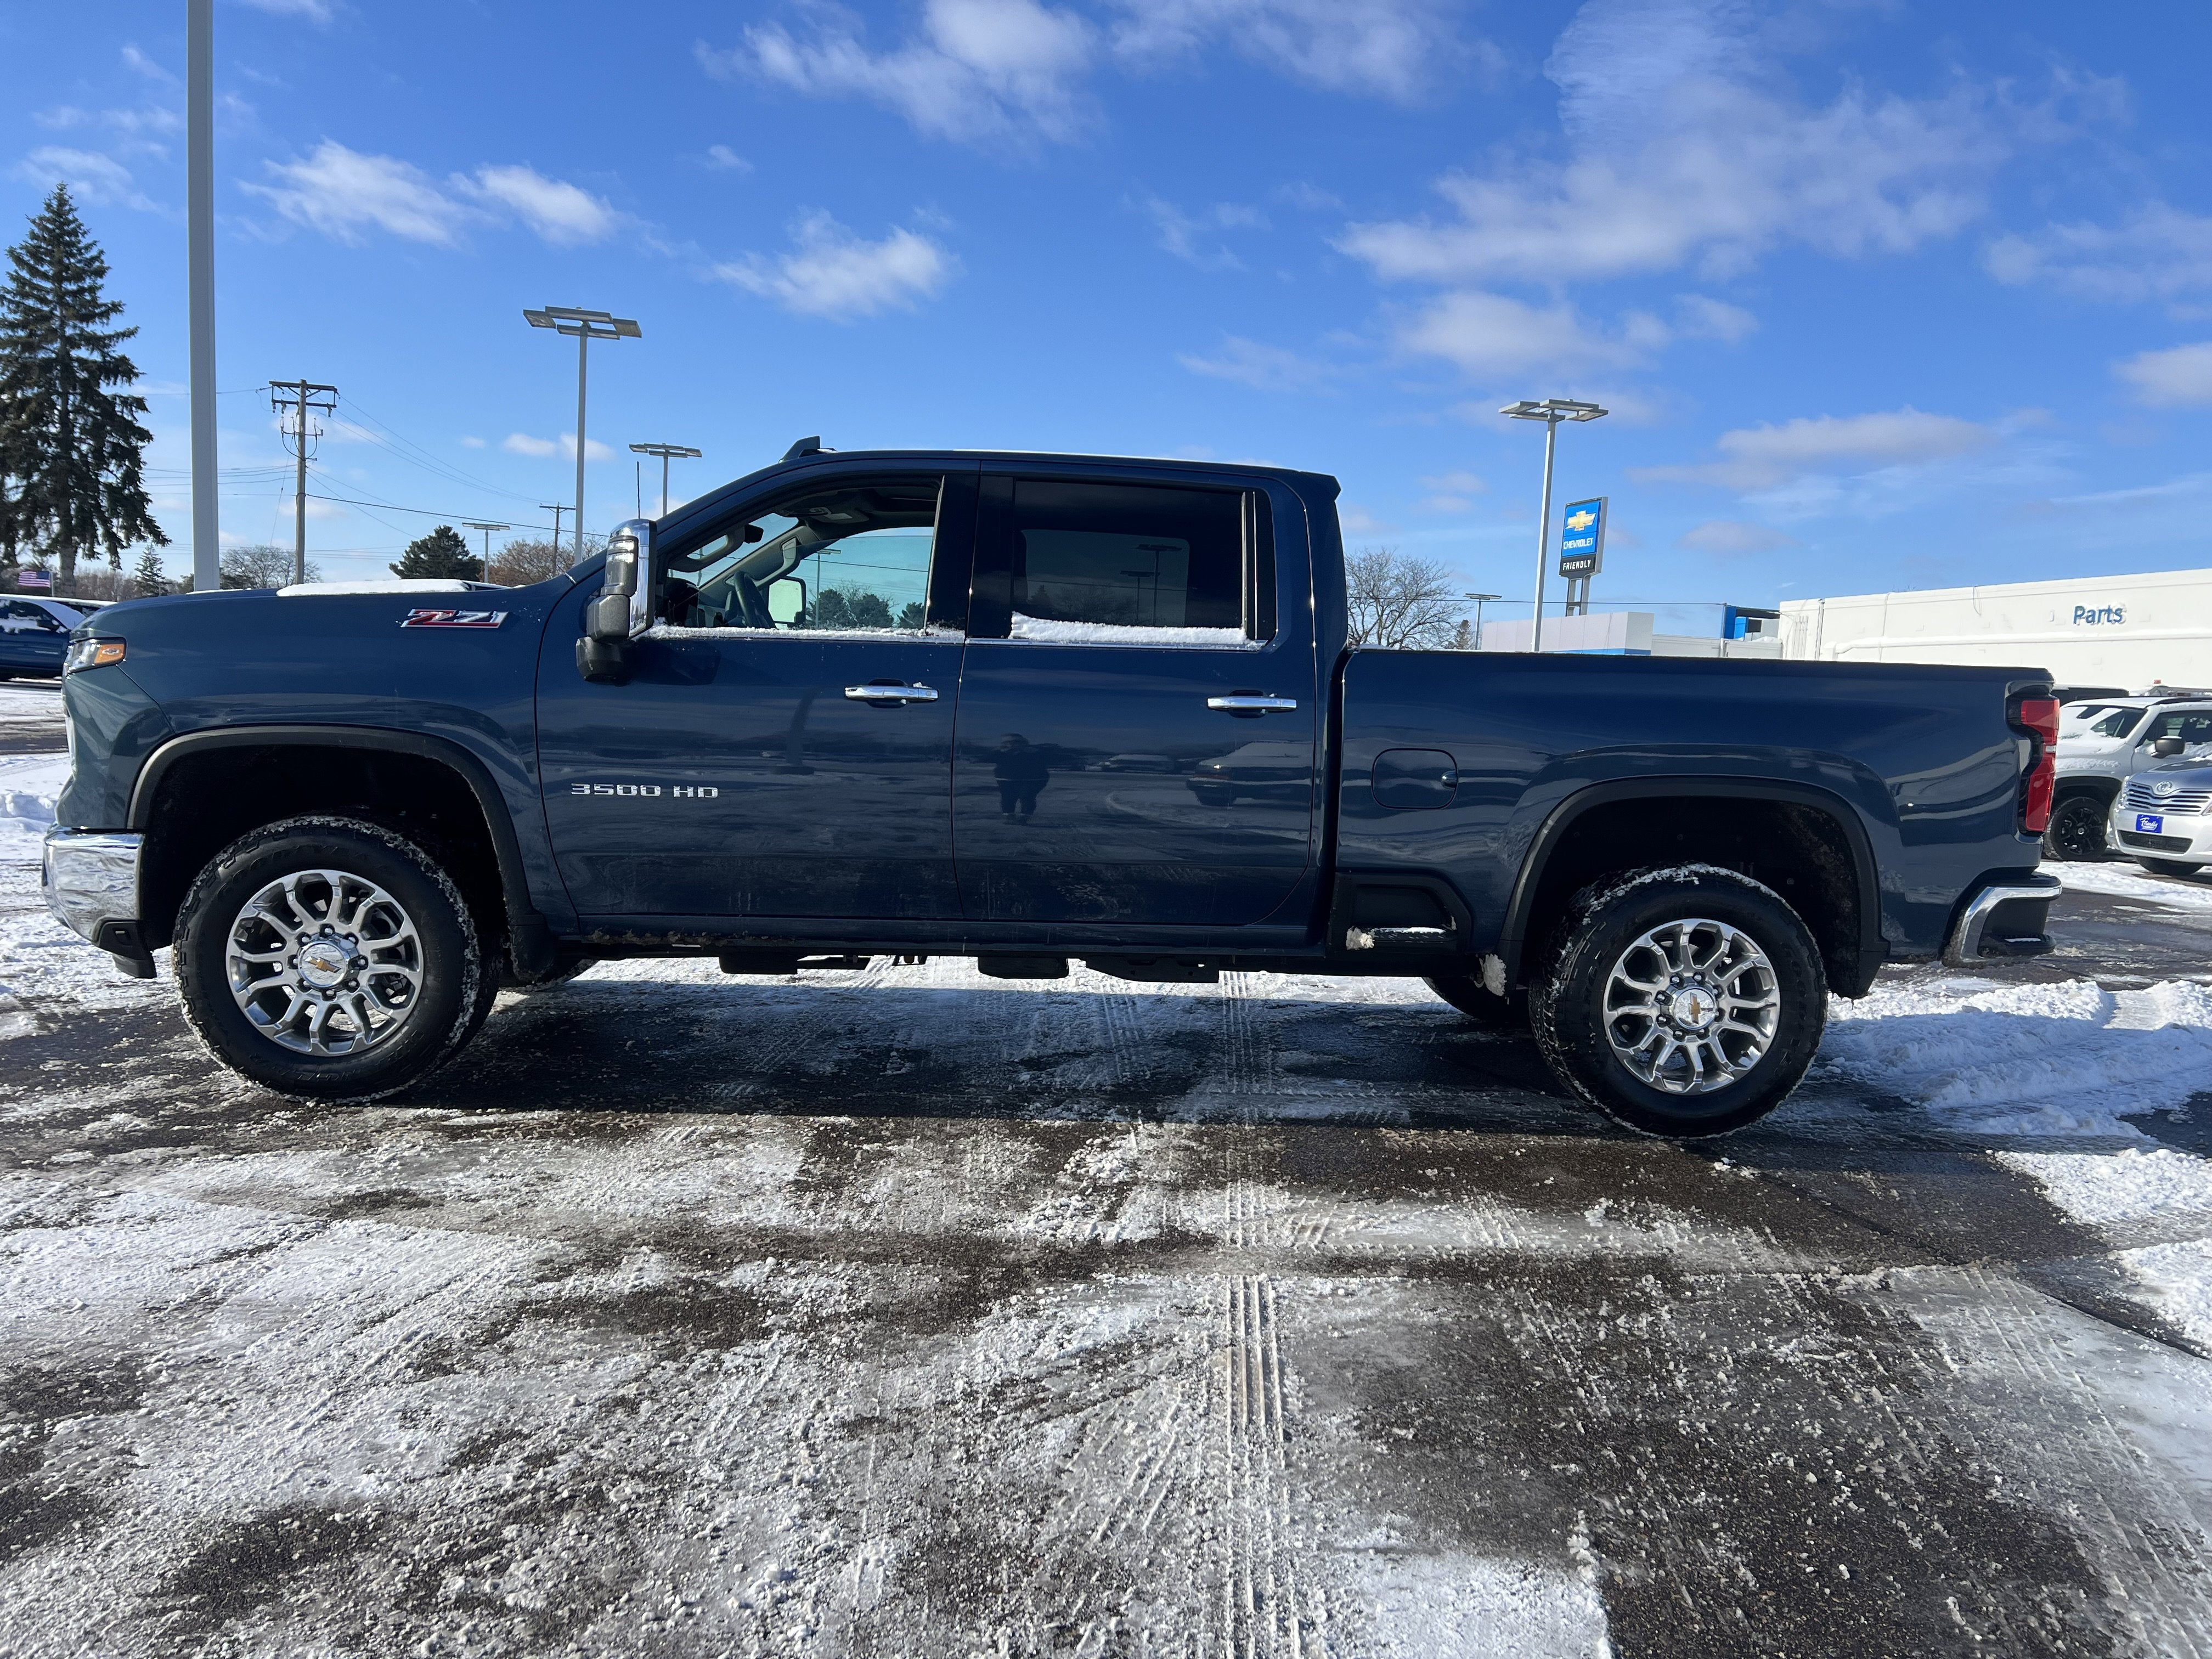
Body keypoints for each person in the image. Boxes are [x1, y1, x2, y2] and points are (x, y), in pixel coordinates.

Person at [994, 733, 1051, 823]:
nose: (1013, 745)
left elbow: (1048, 759)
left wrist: (1033, 753)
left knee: (1027, 796)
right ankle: (1009, 815)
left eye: (1016, 743)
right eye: (1009, 743)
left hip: (1033, 780)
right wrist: (999, 752)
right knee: (1008, 797)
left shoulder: (1035, 752)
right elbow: (986, 758)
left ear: (1024, 743)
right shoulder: (1000, 753)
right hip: (1007, 779)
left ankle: (1025, 816)